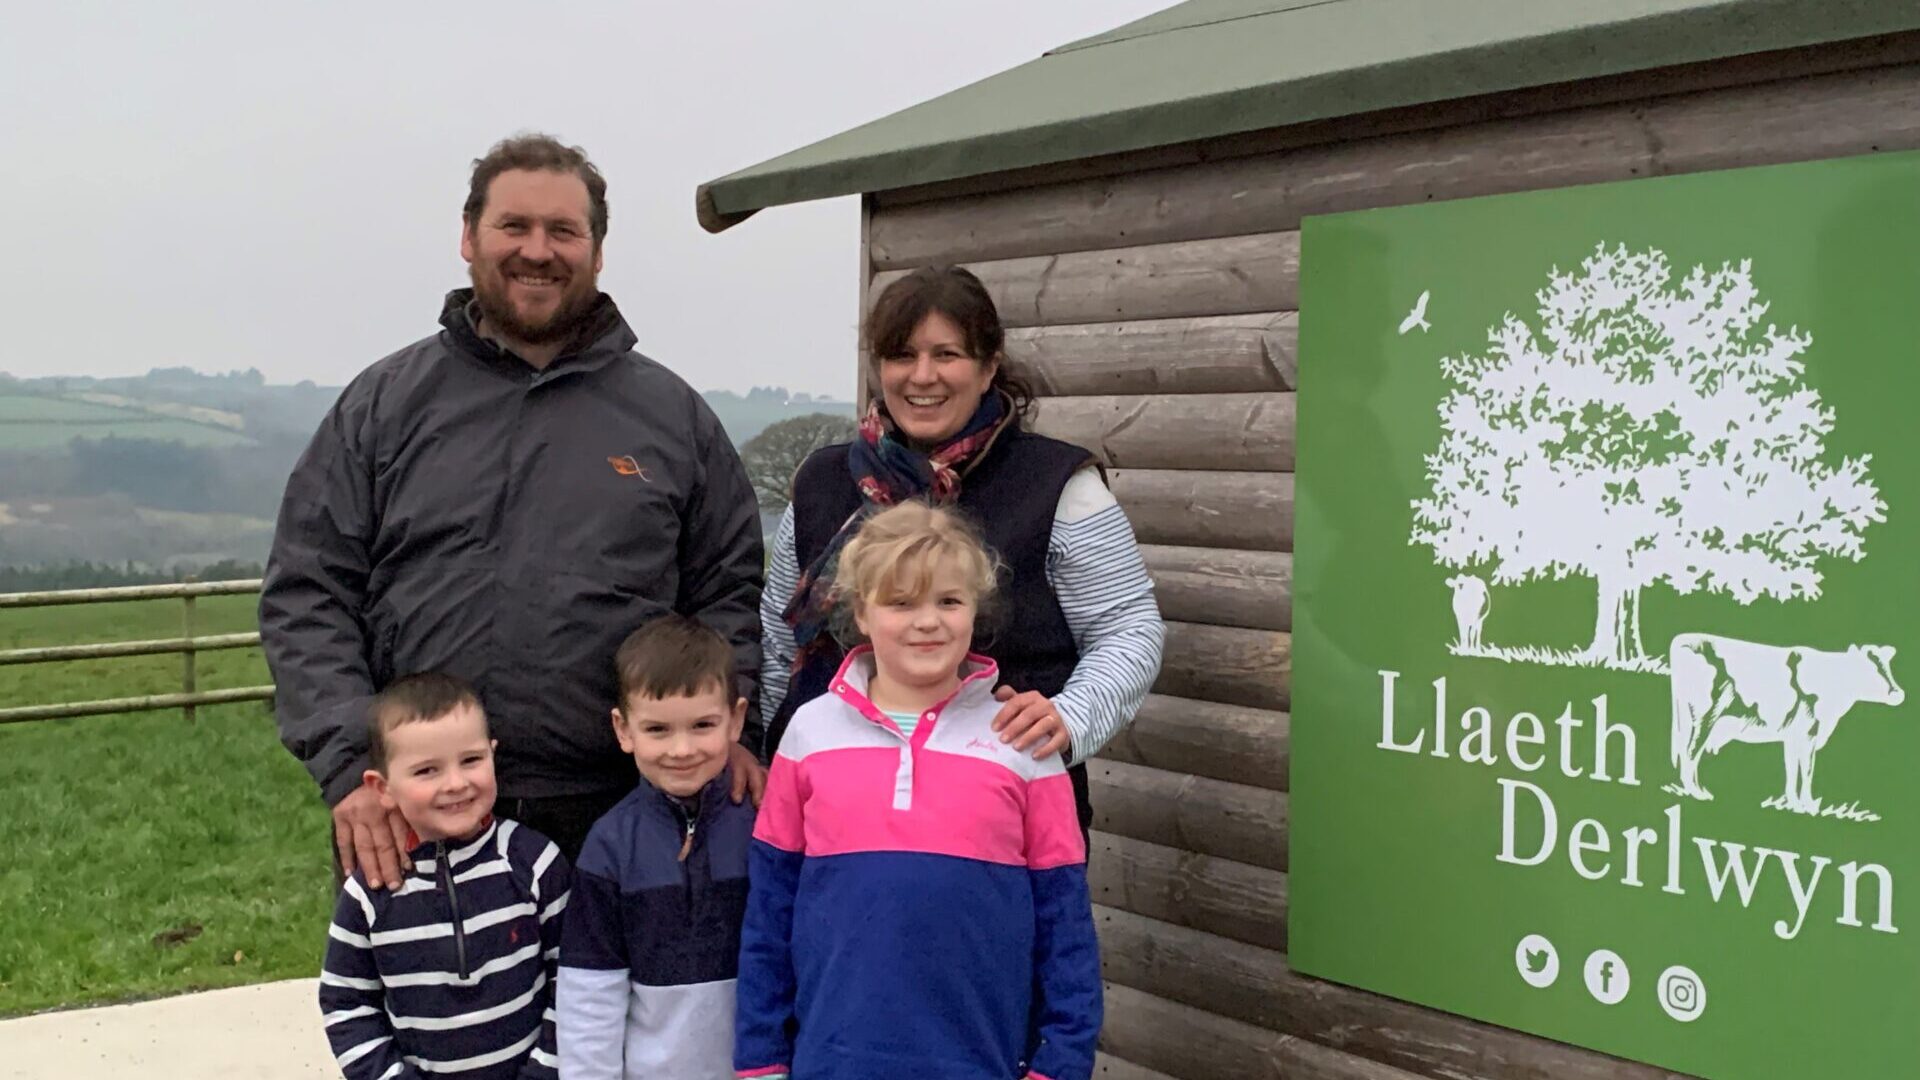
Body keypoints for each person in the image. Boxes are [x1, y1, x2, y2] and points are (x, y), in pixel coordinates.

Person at [261, 133, 765, 889]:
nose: (539, 250)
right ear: (468, 237)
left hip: (627, 818)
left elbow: (726, 593)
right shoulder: (384, 407)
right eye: (514, 227)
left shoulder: (672, 419)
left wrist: (736, 729)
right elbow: (307, 592)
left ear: (597, 251)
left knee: (637, 1011)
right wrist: (348, 768)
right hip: (415, 815)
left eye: (563, 231)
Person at [761, 264, 1164, 834]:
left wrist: (1070, 717)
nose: (922, 376)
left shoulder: (1057, 485)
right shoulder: (821, 482)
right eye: (901, 355)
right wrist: (766, 756)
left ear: (988, 366)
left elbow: (1129, 628)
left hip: (1002, 815)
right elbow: (780, 643)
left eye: (946, 354)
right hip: (828, 812)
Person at [736, 502, 1102, 1080]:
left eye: (948, 601)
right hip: (831, 1061)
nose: (927, 621)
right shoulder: (809, 733)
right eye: (901, 603)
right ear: (861, 611)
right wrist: (760, 1056)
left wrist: (1061, 1061)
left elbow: (1066, 930)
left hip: (983, 1060)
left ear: (975, 610)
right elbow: (769, 915)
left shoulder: (1023, 742)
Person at [317, 673, 569, 1080]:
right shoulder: (371, 893)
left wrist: (547, 1070)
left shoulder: (535, 864)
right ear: (381, 787)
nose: (455, 783)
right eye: (427, 771)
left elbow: (574, 981)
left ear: (493, 755)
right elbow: (347, 1002)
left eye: (471, 760)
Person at [558, 614, 756, 1079]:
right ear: (623, 730)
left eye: (702, 724)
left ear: (736, 720)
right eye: (658, 730)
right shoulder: (609, 847)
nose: (681, 749)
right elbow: (590, 993)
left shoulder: (766, 829)